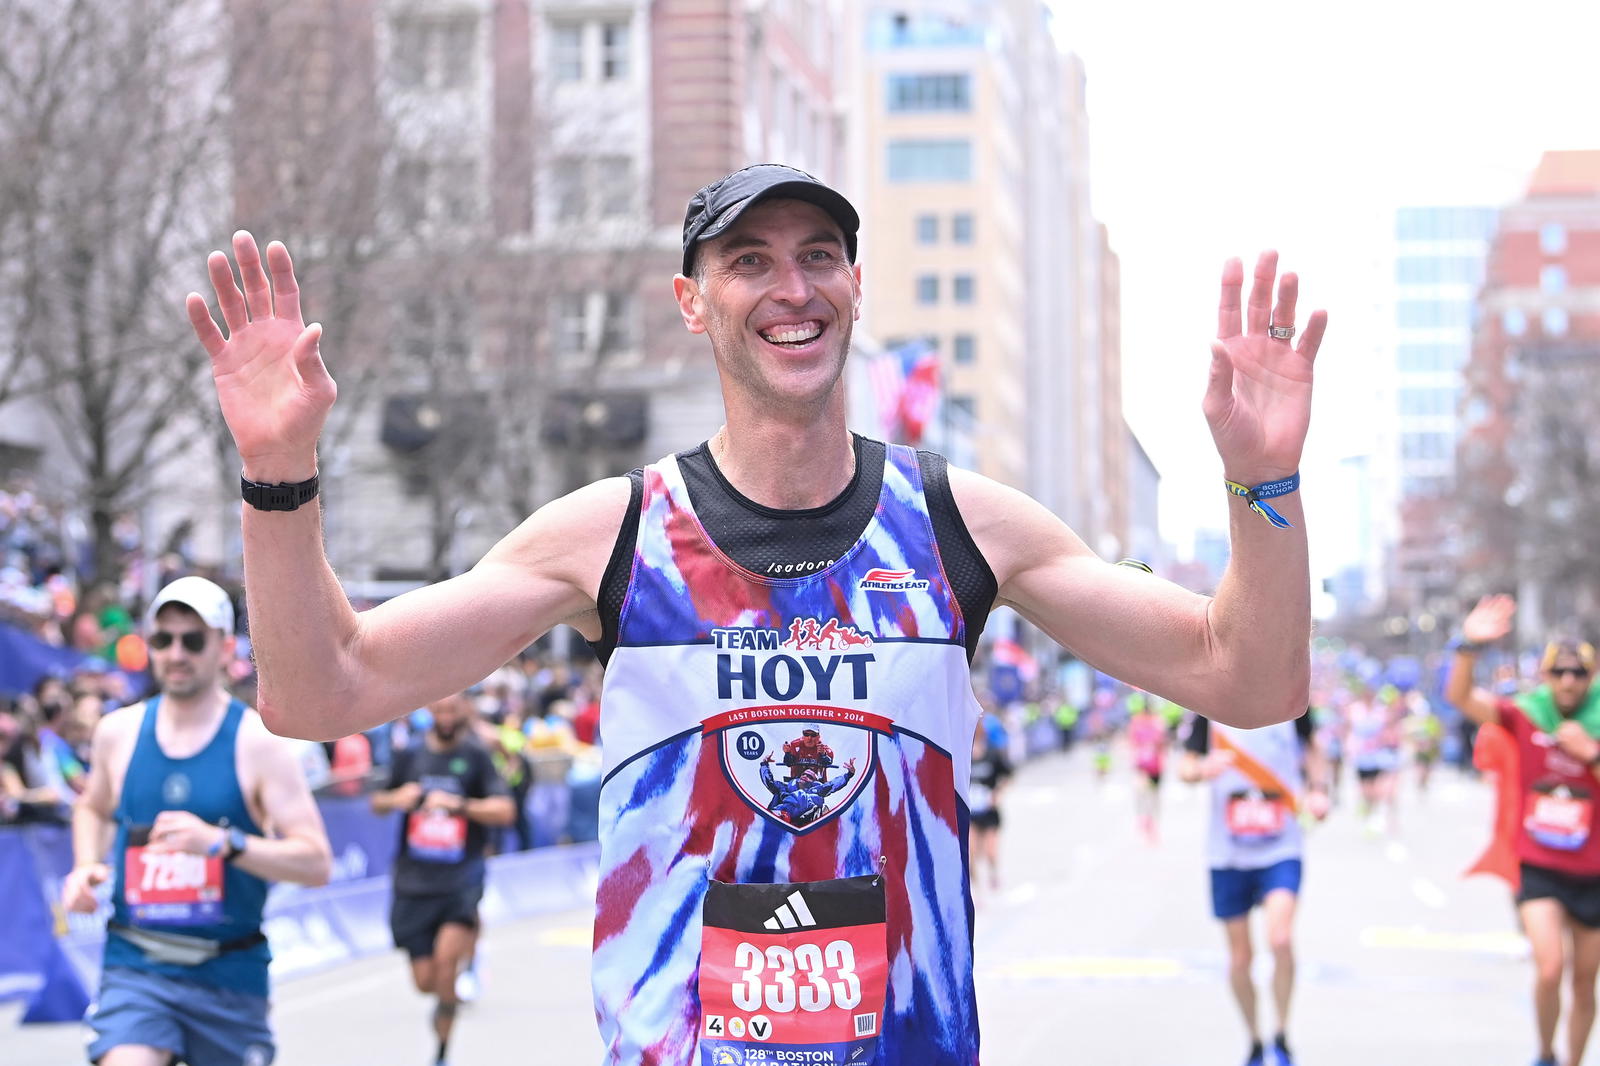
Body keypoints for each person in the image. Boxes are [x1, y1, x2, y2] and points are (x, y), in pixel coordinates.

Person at [188, 162, 1326, 1064]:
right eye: (750, 261)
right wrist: (279, 476)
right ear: (692, 300)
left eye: (819, 255)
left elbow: (1248, 679)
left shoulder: (961, 523)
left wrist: (1261, 482)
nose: (793, 288)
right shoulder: (611, 533)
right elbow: (320, 692)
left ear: (854, 288)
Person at [59, 575, 332, 1066]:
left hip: (229, 972)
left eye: (193, 639)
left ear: (225, 648)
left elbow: (315, 863)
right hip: (137, 965)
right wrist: (84, 865)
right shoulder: (117, 733)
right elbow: (93, 806)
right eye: (163, 639)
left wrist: (223, 844)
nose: (176, 653)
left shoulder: (259, 744)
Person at [1446, 594, 1600, 1066]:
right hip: (1539, 864)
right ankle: (1546, 1052)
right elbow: (1461, 699)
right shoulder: (1526, 713)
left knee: (1584, 981)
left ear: (1591, 678)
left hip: (1593, 871)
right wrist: (1469, 645)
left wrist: (1590, 754)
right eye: (1559, 672)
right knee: (1550, 966)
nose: (1568, 681)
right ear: (1546, 676)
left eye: (1578, 673)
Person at [370, 689, 514, 1066]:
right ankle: (455, 981)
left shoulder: (476, 755)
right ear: (430, 710)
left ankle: (442, 1053)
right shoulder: (409, 755)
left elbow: (504, 810)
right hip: (414, 882)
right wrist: (398, 798)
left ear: (463, 708)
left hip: (460, 878)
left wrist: (460, 806)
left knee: (446, 962)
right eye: (440, 709)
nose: (447, 716)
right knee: (427, 982)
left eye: (453, 708)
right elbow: (378, 802)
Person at [1180, 709, 1329, 1066]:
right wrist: (1202, 769)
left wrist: (1318, 790)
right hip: (1227, 853)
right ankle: (1254, 1040)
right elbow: (1185, 766)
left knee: (1280, 939)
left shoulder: (1291, 700)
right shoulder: (1210, 707)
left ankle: (1281, 1034)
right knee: (1241, 957)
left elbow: (1313, 750)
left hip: (1282, 846)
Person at [967, 723, 1013, 895]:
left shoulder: (993, 754)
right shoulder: (962, 755)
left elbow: (1008, 775)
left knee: (990, 851)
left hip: (989, 812)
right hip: (971, 812)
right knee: (970, 852)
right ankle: (976, 889)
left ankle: (993, 873)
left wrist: (997, 794)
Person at [1128, 695, 1166, 843]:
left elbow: (1132, 742)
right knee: (1152, 795)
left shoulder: (1137, 722)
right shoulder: (1158, 722)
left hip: (1144, 764)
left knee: (1143, 794)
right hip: (1153, 765)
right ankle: (1150, 822)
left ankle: (1145, 821)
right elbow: (1162, 743)